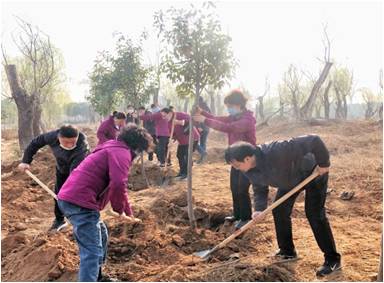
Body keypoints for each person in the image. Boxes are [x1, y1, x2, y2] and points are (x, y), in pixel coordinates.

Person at [224, 135, 341, 277]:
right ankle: (287, 252)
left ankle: (332, 259)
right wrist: (259, 209)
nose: (237, 169)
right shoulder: (249, 170)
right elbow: (259, 187)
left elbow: (314, 140)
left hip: (312, 172)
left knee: (314, 214)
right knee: (279, 211)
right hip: (289, 181)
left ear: (247, 158)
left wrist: (324, 163)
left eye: (237, 165)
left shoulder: (277, 149)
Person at [57, 124, 154, 282]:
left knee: (101, 233)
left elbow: (119, 188)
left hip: (74, 198)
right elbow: (117, 184)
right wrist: (119, 209)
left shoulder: (112, 146)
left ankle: (98, 277)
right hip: (80, 202)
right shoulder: (121, 153)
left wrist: (128, 212)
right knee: (91, 251)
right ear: (136, 147)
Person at [193, 89, 256, 229]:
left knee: (242, 188)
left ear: (239, 105)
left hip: (246, 160)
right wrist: (203, 113)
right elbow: (218, 119)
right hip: (236, 159)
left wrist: (205, 120)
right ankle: (238, 214)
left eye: (230, 106)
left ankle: (246, 218)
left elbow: (229, 128)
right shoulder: (235, 117)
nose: (229, 109)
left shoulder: (247, 120)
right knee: (234, 187)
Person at [18, 125, 90, 232]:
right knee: (58, 194)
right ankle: (59, 220)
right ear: (58, 137)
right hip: (61, 168)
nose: (70, 145)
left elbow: (75, 175)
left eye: (72, 142)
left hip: (79, 171)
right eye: (66, 142)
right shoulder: (51, 136)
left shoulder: (82, 146)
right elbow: (35, 143)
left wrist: (70, 194)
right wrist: (25, 161)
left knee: (76, 193)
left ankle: (83, 218)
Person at [170, 112, 200, 180]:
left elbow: (190, 120)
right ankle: (182, 172)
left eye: (165, 115)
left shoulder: (179, 115)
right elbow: (174, 134)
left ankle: (187, 174)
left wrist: (179, 122)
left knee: (187, 157)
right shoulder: (168, 122)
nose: (164, 117)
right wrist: (171, 140)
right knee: (179, 155)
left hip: (192, 139)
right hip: (182, 141)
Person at [196, 96, 211, 164]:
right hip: (207, 127)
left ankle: (203, 153)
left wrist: (199, 126)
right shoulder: (207, 107)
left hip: (201, 127)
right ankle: (202, 159)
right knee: (203, 143)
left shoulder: (199, 107)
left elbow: (197, 116)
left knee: (194, 142)